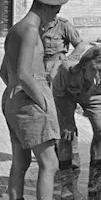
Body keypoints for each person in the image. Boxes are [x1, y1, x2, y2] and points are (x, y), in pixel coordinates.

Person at [0, 0, 78, 200]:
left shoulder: (15, 29)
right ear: (43, 6)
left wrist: (17, 94)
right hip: (31, 100)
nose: (56, 16)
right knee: (49, 163)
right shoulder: (32, 30)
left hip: (11, 100)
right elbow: (23, 73)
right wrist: (43, 99)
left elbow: (4, 73)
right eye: (55, 10)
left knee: (19, 164)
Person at [52, 43, 101, 200]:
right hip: (67, 96)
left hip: (93, 96)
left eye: (100, 70)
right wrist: (68, 123)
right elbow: (58, 95)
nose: (97, 75)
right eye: (94, 70)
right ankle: (66, 185)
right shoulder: (67, 70)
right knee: (67, 134)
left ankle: (94, 179)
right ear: (84, 65)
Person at [40, 16, 87, 170]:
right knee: (46, 112)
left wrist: (69, 60)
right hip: (40, 69)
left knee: (65, 113)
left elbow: (80, 44)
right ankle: (54, 149)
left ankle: (73, 154)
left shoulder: (62, 25)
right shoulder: (37, 24)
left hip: (58, 69)